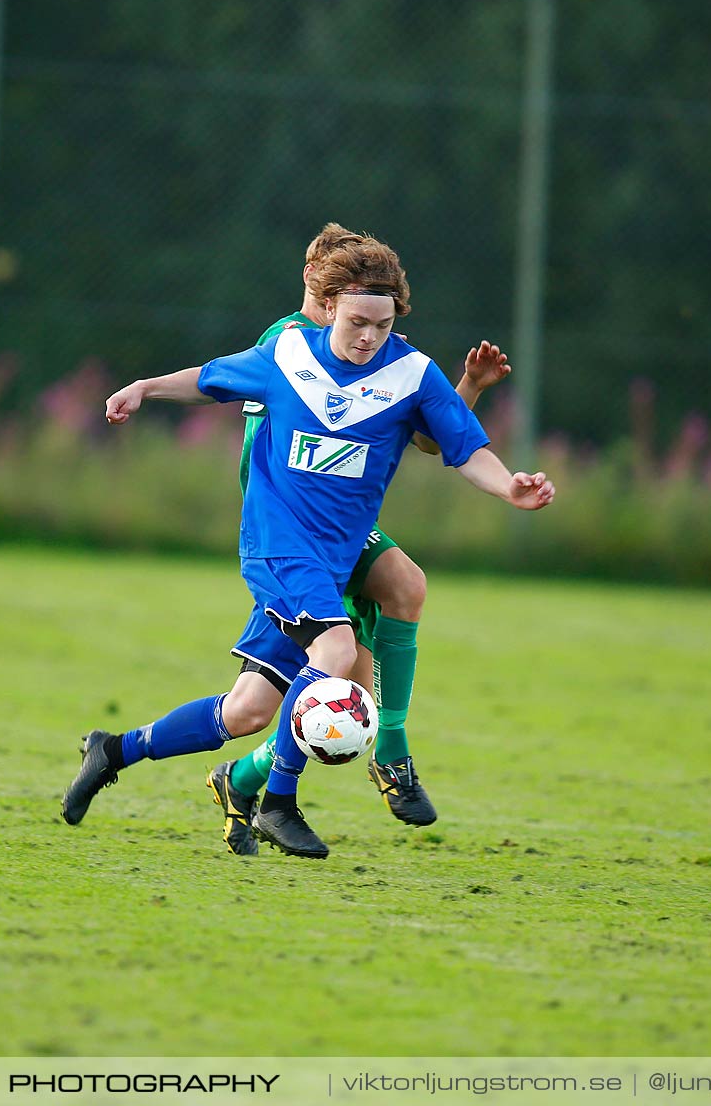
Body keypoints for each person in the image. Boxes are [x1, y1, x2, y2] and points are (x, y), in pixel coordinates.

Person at [61, 237, 555, 859]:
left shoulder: (413, 374)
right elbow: (211, 378)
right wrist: (144, 387)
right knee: (339, 648)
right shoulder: (287, 354)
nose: (369, 336)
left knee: (247, 714)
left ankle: (114, 750)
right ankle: (279, 801)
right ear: (327, 304)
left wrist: (510, 487)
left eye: (383, 323)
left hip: (335, 557)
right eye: (357, 322)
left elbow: (462, 448)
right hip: (276, 546)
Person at [207, 223, 511, 856]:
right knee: (339, 686)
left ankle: (388, 757)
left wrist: (470, 389)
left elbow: (429, 437)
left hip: (341, 527)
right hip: (290, 530)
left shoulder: (379, 350)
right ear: (318, 292)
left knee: (403, 588)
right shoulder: (287, 344)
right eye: (335, 301)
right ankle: (254, 778)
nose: (356, 324)